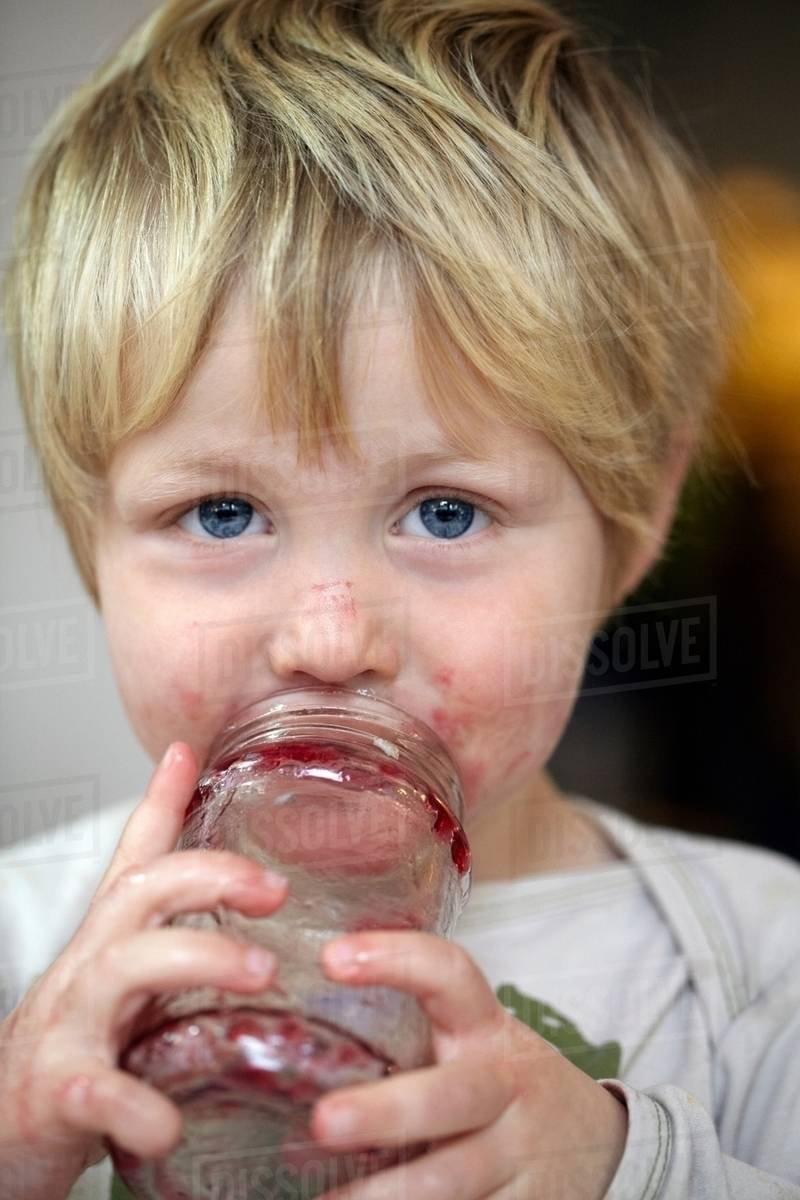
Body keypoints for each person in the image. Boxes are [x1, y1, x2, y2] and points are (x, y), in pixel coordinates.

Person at [1, 1, 799, 1197]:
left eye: (444, 512)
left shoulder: (759, 968)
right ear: (90, 545)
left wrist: (628, 1170)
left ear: (631, 523)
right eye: (222, 513)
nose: (330, 641)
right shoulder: (24, 949)